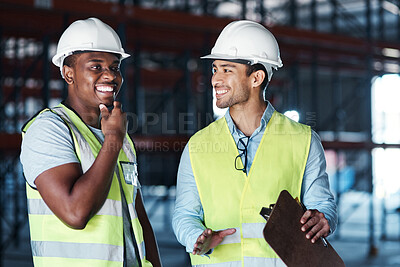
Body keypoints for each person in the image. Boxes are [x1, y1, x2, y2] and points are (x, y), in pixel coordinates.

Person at [172, 20, 337, 266]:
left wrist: (324, 219)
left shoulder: (303, 140)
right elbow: (184, 214)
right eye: (214, 69)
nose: (215, 79)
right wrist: (196, 237)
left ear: (256, 77)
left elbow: (322, 204)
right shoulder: (198, 145)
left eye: (227, 70)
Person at [20, 17, 161, 267]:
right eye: (96, 67)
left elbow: (137, 216)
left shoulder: (119, 136)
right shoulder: (49, 129)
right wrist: (113, 141)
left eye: (115, 67)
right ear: (68, 73)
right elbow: (76, 213)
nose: (110, 75)